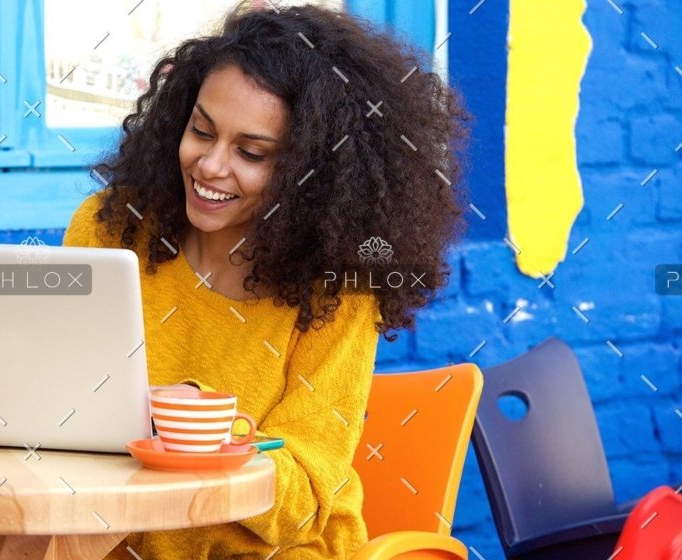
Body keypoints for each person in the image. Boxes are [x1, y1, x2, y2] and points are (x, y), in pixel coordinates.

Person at [63, 3, 468, 558]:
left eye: (251, 152)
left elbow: (303, 498)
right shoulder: (111, 229)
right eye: (200, 131)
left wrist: (200, 425)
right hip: (113, 536)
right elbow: (62, 413)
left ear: (313, 172)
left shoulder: (338, 284)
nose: (209, 166)